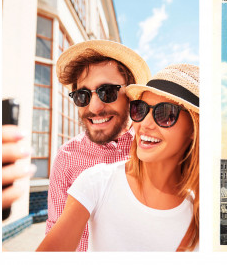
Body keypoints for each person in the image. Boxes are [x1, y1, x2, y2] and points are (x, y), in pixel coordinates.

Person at [37, 64, 199, 251]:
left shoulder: (200, 209)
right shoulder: (88, 173)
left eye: (166, 114)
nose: (95, 107)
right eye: (82, 96)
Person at [46, 40, 151, 251]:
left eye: (107, 92)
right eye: (82, 96)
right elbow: (55, 230)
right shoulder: (66, 157)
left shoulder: (153, 149)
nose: (94, 107)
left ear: (130, 96)